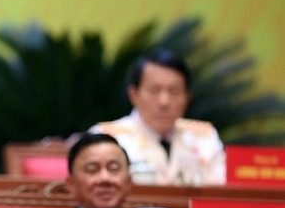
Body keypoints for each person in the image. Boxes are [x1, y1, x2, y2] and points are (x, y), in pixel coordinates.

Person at [91, 49, 226, 185]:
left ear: (187, 97)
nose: (164, 102)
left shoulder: (205, 138)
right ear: (134, 95)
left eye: (174, 91)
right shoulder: (106, 139)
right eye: (154, 90)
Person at [25, 133, 157, 208]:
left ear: (129, 181)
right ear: (71, 184)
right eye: (92, 169)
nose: (105, 179)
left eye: (114, 168)